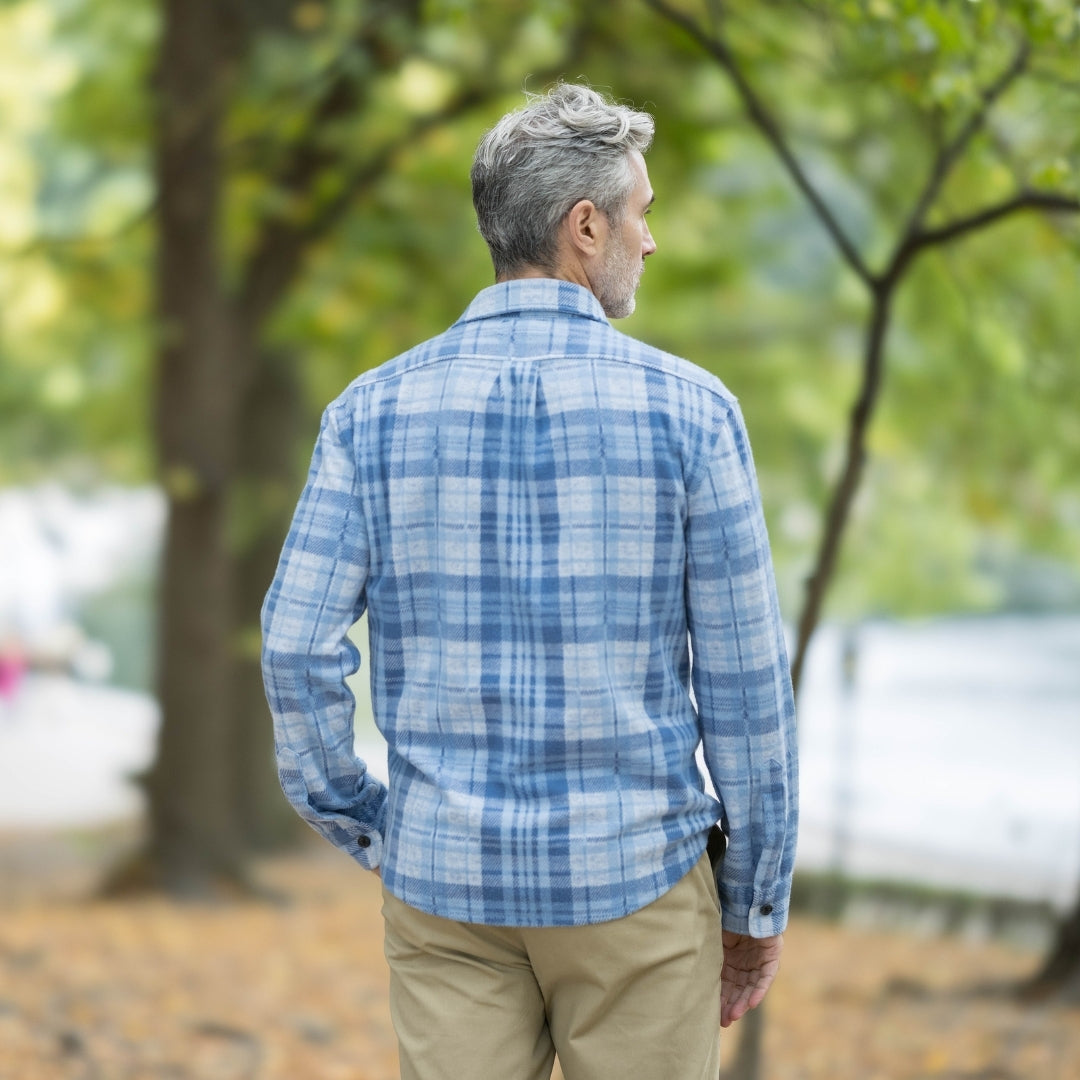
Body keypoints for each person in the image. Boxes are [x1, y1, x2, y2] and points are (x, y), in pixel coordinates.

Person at [261, 82, 798, 1080]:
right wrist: (757, 904)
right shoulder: (693, 413)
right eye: (640, 214)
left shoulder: (367, 415)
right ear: (583, 226)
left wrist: (372, 820)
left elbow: (296, 645)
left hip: (446, 889)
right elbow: (746, 688)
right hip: (636, 888)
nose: (652, 240)